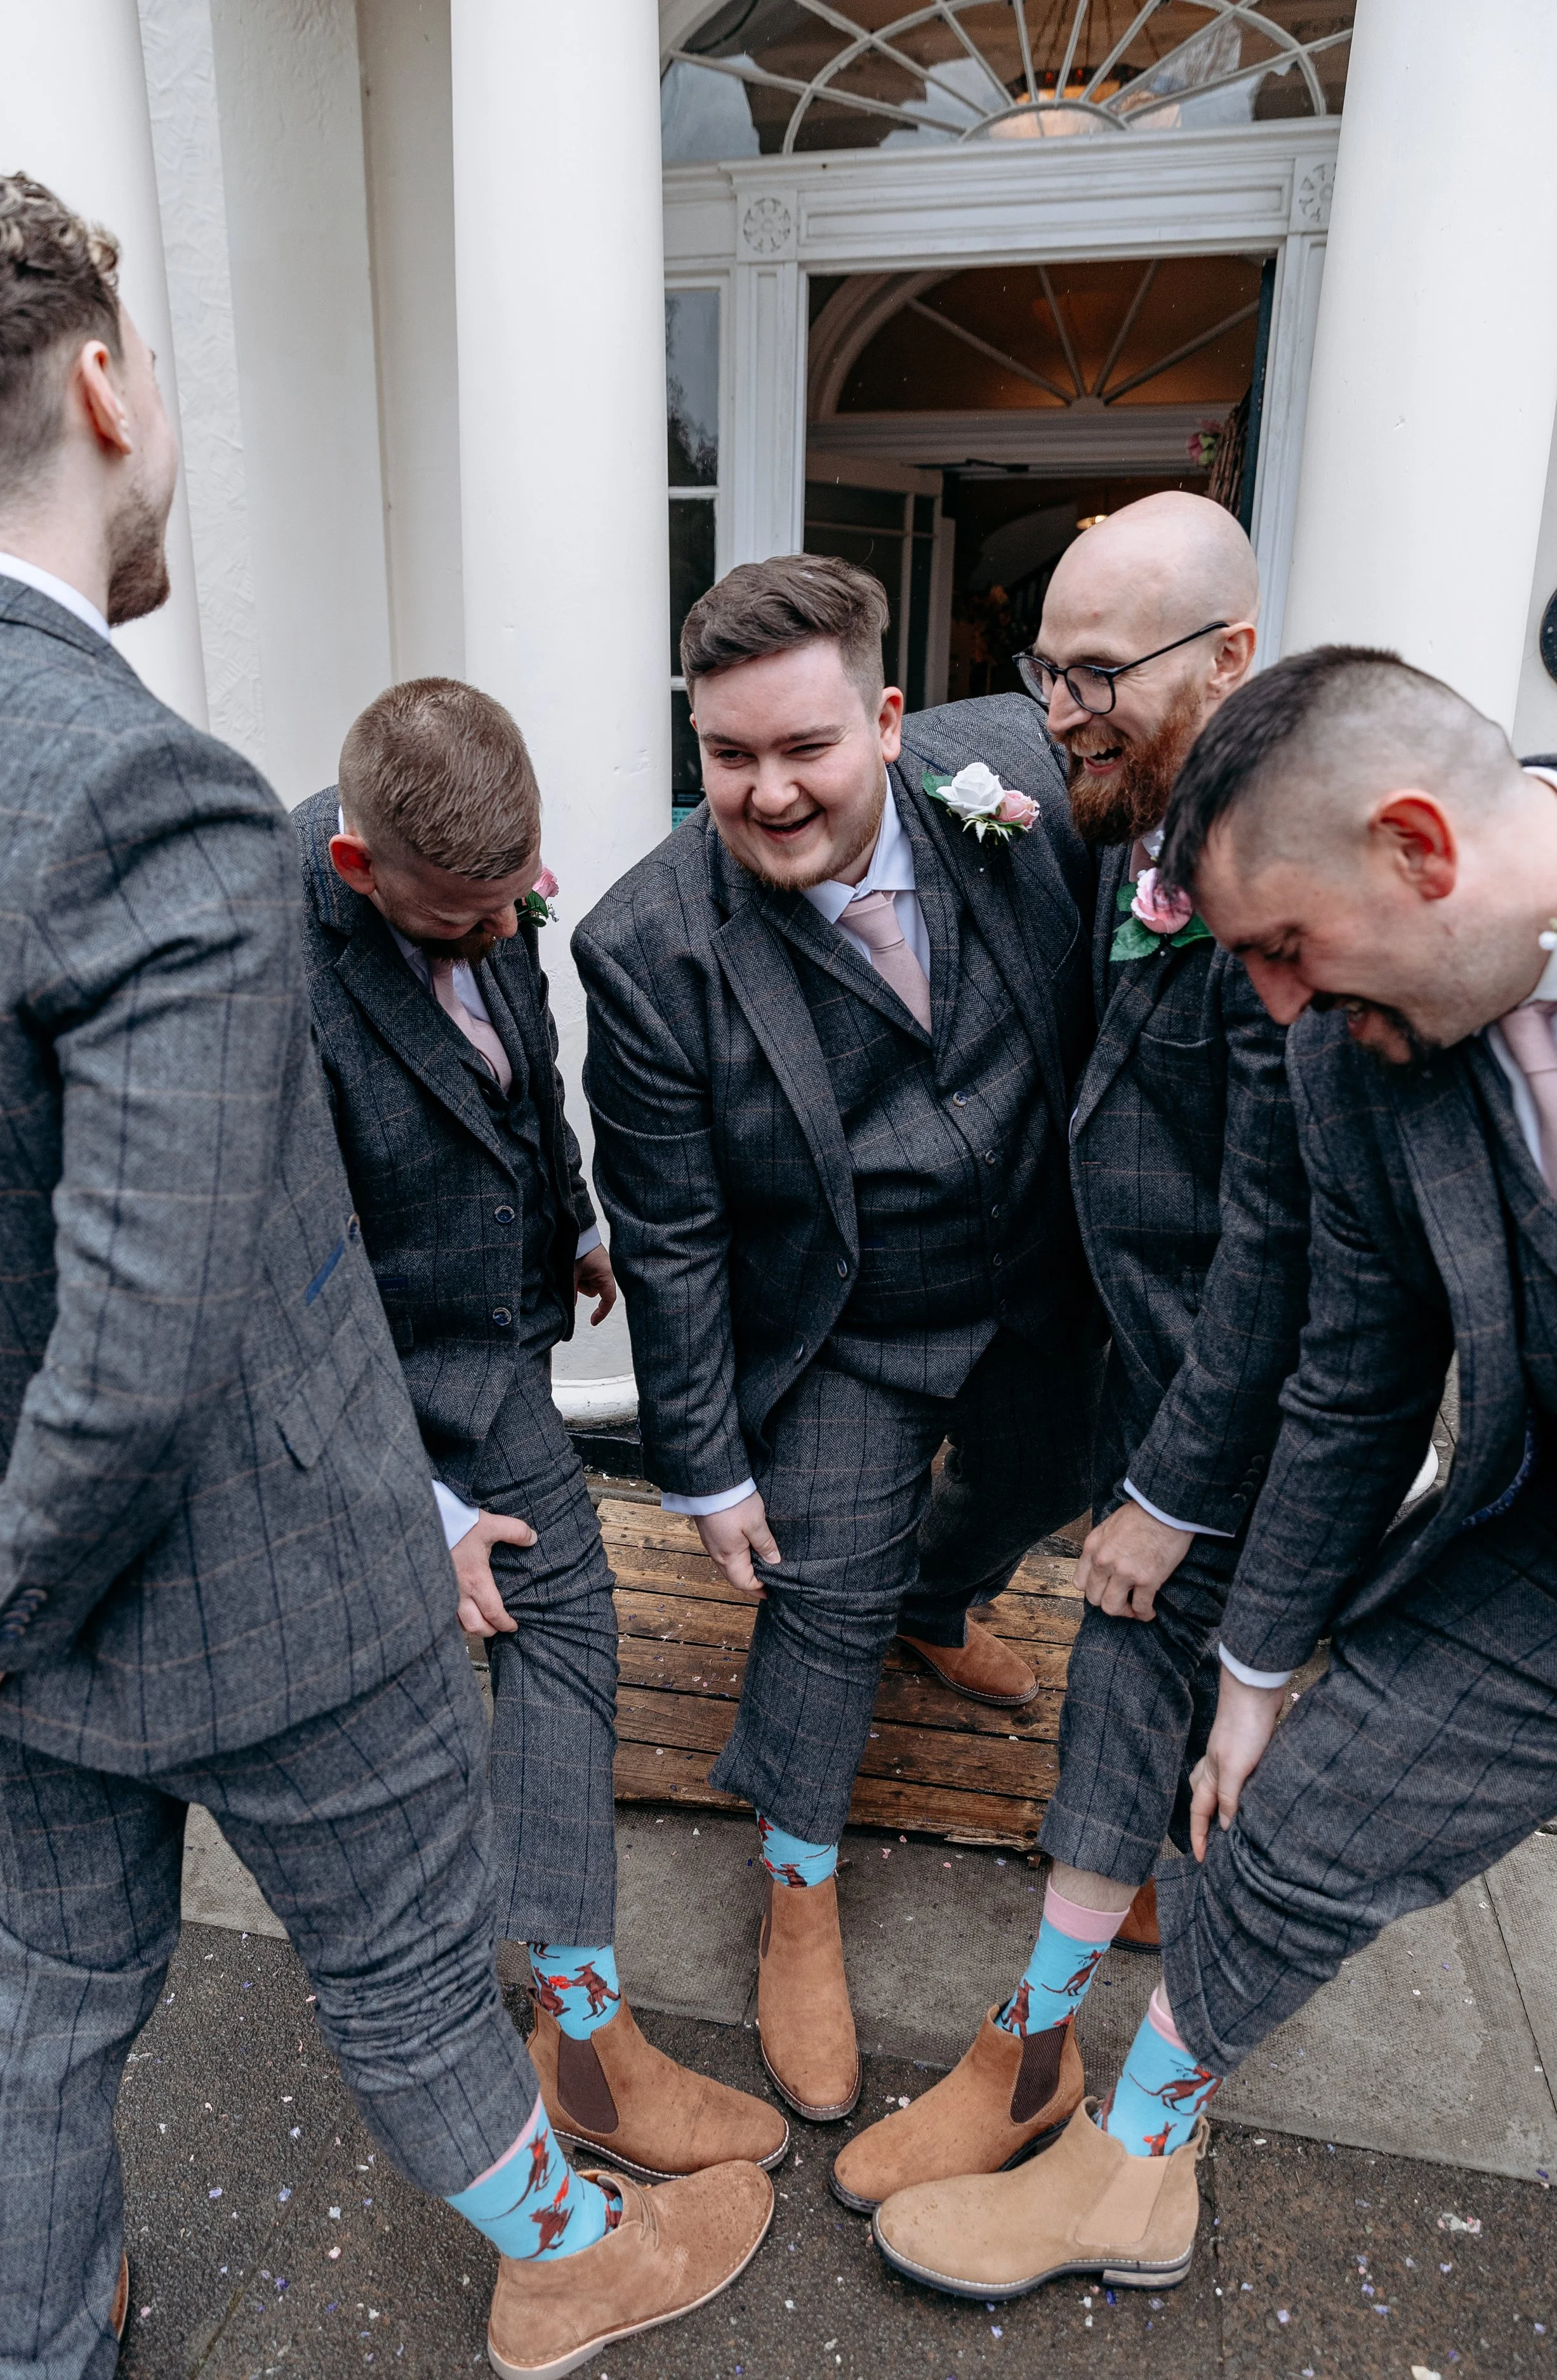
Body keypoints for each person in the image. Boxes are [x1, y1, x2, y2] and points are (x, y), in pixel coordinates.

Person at [0, 162, 769, 2380]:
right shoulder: (153, 798)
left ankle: (32, 2340)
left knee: (41, 1997)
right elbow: (164, 1322)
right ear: (107, 391)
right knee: (412, 1972)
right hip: (257, 1582)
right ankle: (566, 2253)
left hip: (24, 1608)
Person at [866, 644, 1557, 2302]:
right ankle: (1124, 2165)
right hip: (1529, 1539)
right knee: (1286, 1831)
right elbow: (1357, 1364)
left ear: (1418, 849)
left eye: (1285, 949)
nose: (1275, 1005)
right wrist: (1255, 1670)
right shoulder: (1349, 1043)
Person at [574, 555, 1103, 2127]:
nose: (766, 792)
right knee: (819, 1596)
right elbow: (668, 1231)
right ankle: (797, 1884)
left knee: (1037, 1487)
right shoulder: (645, 946)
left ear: (884, 719)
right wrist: (703, 1464)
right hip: (844, 1324)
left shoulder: (1014, 774)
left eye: (803, 747)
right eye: (726, 754)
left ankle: (939, 1602)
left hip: (1044, 1276)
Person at [828, 494, 1309, 2213]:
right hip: (1102, 1324)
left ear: (1228, 660)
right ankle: (1125, 1875)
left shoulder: (1286, 900)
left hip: (1240, 1393)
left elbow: (1280, 1251)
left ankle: (1037, 2049)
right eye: (1046, 666)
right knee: (1089, 1585)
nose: (1057, 710)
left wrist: (1168, 1496)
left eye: (1096, 672)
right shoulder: (1120, 797)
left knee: (1127, 1643)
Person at [295, 680, 786, 2182]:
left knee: (524, 1637)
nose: (507, 933)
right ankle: (571, 2051)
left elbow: (525, 1075)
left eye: (522, 898)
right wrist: (419, 1509)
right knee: (536, 1628)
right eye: (468, 918)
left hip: (490, 1322)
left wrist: (567, 1220)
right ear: (357, 869)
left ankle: (558, 2024)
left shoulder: (481, 894)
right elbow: (278, 1290)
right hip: (370, 1375)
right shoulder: (263, 975)